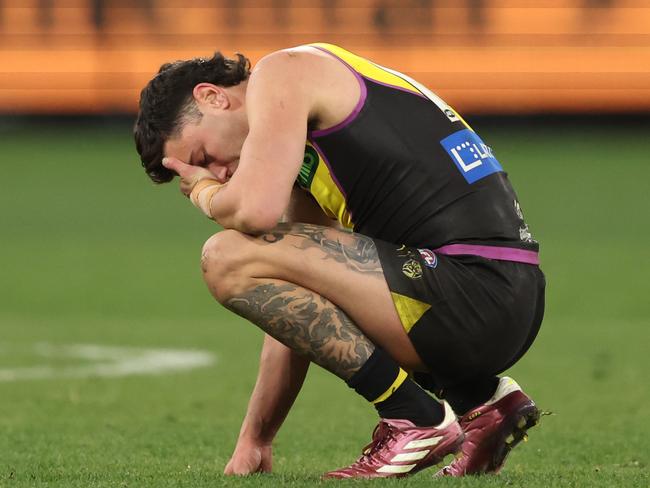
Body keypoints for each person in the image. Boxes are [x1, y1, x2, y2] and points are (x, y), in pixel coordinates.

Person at [134, 43, 546, 478]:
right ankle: (481, 402)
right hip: (496, 293)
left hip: (472, 289)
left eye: (203, 157)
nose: (218, 172)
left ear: (212, 96)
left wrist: (204, 192)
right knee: (249, 258)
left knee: (223, 256)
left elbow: (252, 211)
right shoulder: (301, 138)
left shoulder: (283, 72)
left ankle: (414, 418)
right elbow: (297, 301)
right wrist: (257, 437)